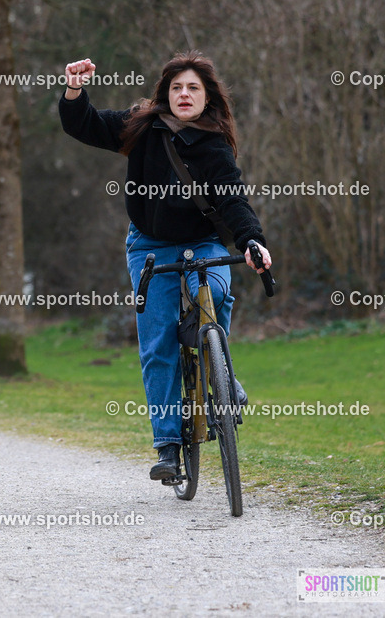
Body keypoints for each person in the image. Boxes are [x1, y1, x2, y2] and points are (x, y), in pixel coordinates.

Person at [59, 51, 273, 481]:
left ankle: (222, 373)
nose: (184, 94)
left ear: (207, 95)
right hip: (150, 247)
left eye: (193, 87)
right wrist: (74, 89)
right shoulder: (142, 126)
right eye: (176, 87)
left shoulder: (214, 143)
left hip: (203, 243)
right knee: (157, 342)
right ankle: (169, 446)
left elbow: (233, 199)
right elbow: (85, 124)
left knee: (215, 292)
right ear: (166, 93)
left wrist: (253, 241)